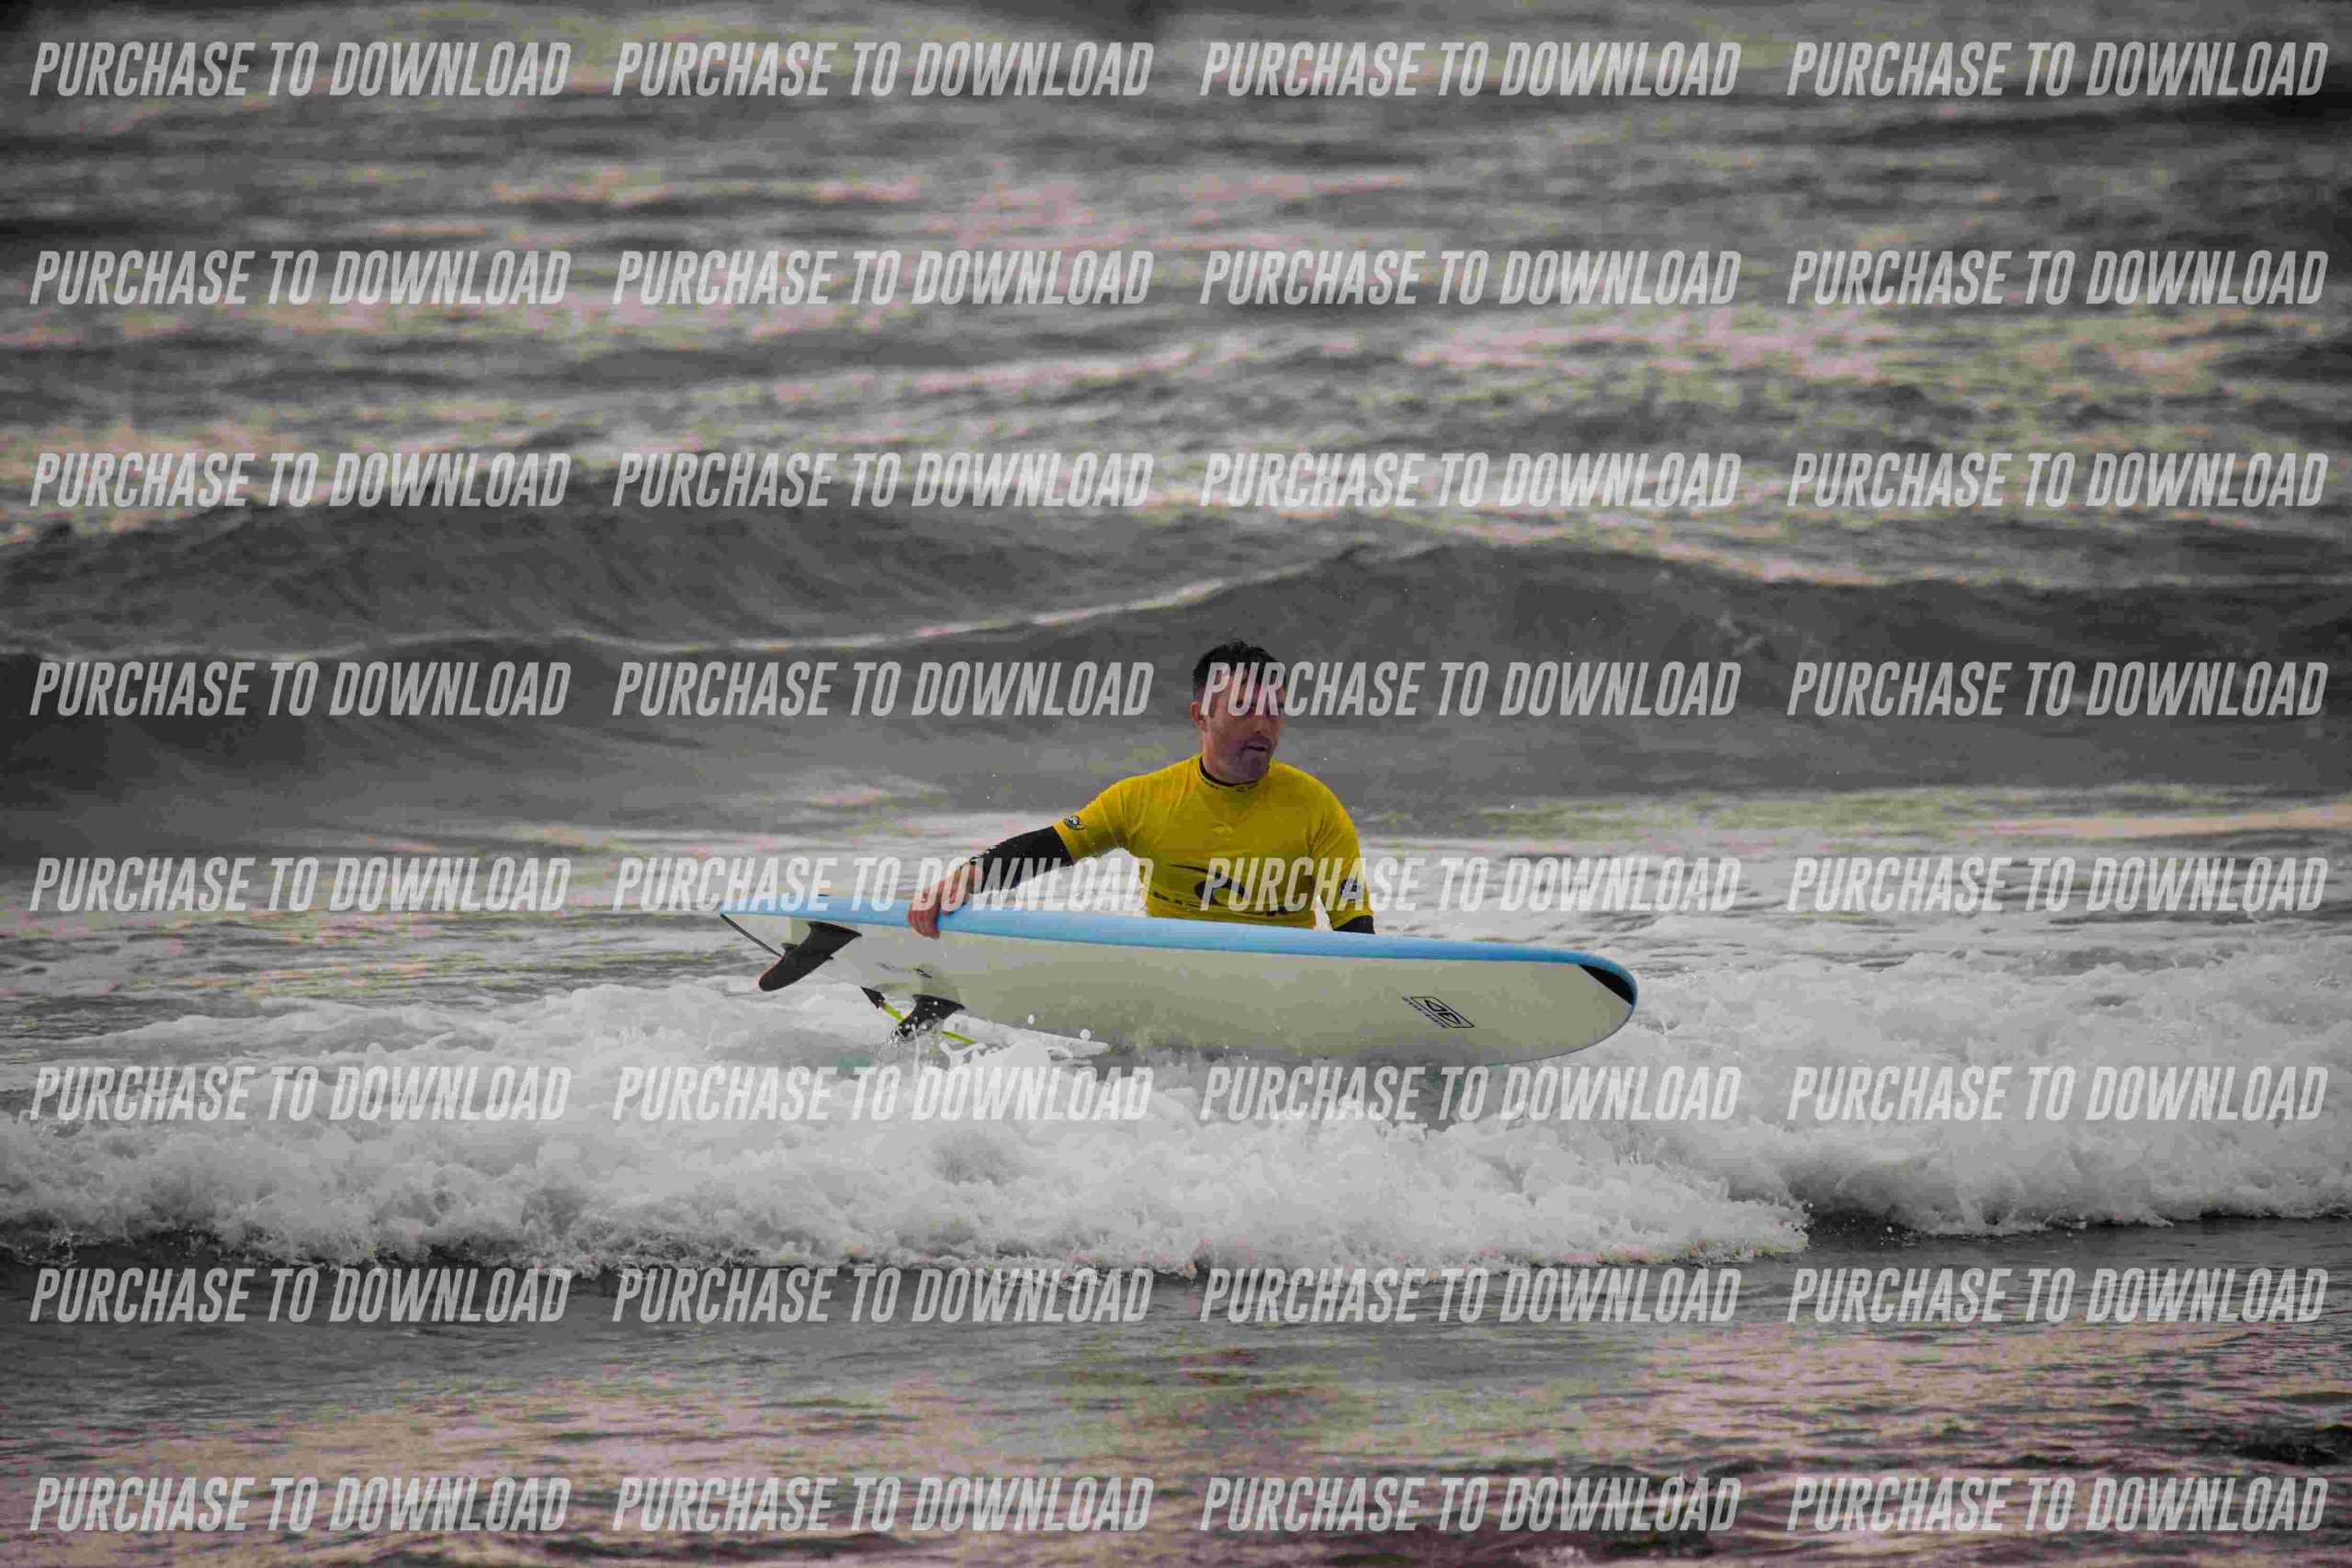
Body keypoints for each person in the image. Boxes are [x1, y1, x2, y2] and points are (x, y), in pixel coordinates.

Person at [908, 640, 1375, 936]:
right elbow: (1049, 848)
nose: (1262, 725)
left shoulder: (1315, 807)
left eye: (1273, 710)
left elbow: (1354, 927)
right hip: (1173, 978)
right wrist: (965, 878)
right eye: (1243, 708)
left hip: (1280, 984)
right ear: (1201, 716)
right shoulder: (1142, 799)